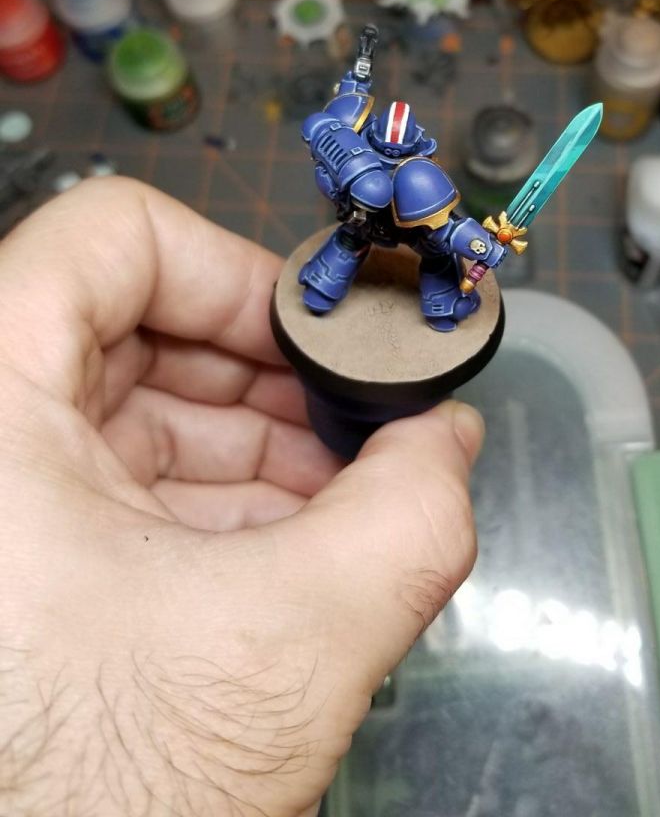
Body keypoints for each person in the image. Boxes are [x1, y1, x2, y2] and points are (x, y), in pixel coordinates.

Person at [0, 177, 483, 817]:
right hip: (347, 281)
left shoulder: (416, 203)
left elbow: (446, 233)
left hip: (397, 312)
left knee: (402, 273)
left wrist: (474, 247)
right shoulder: (365, 184)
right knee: (338, 265)